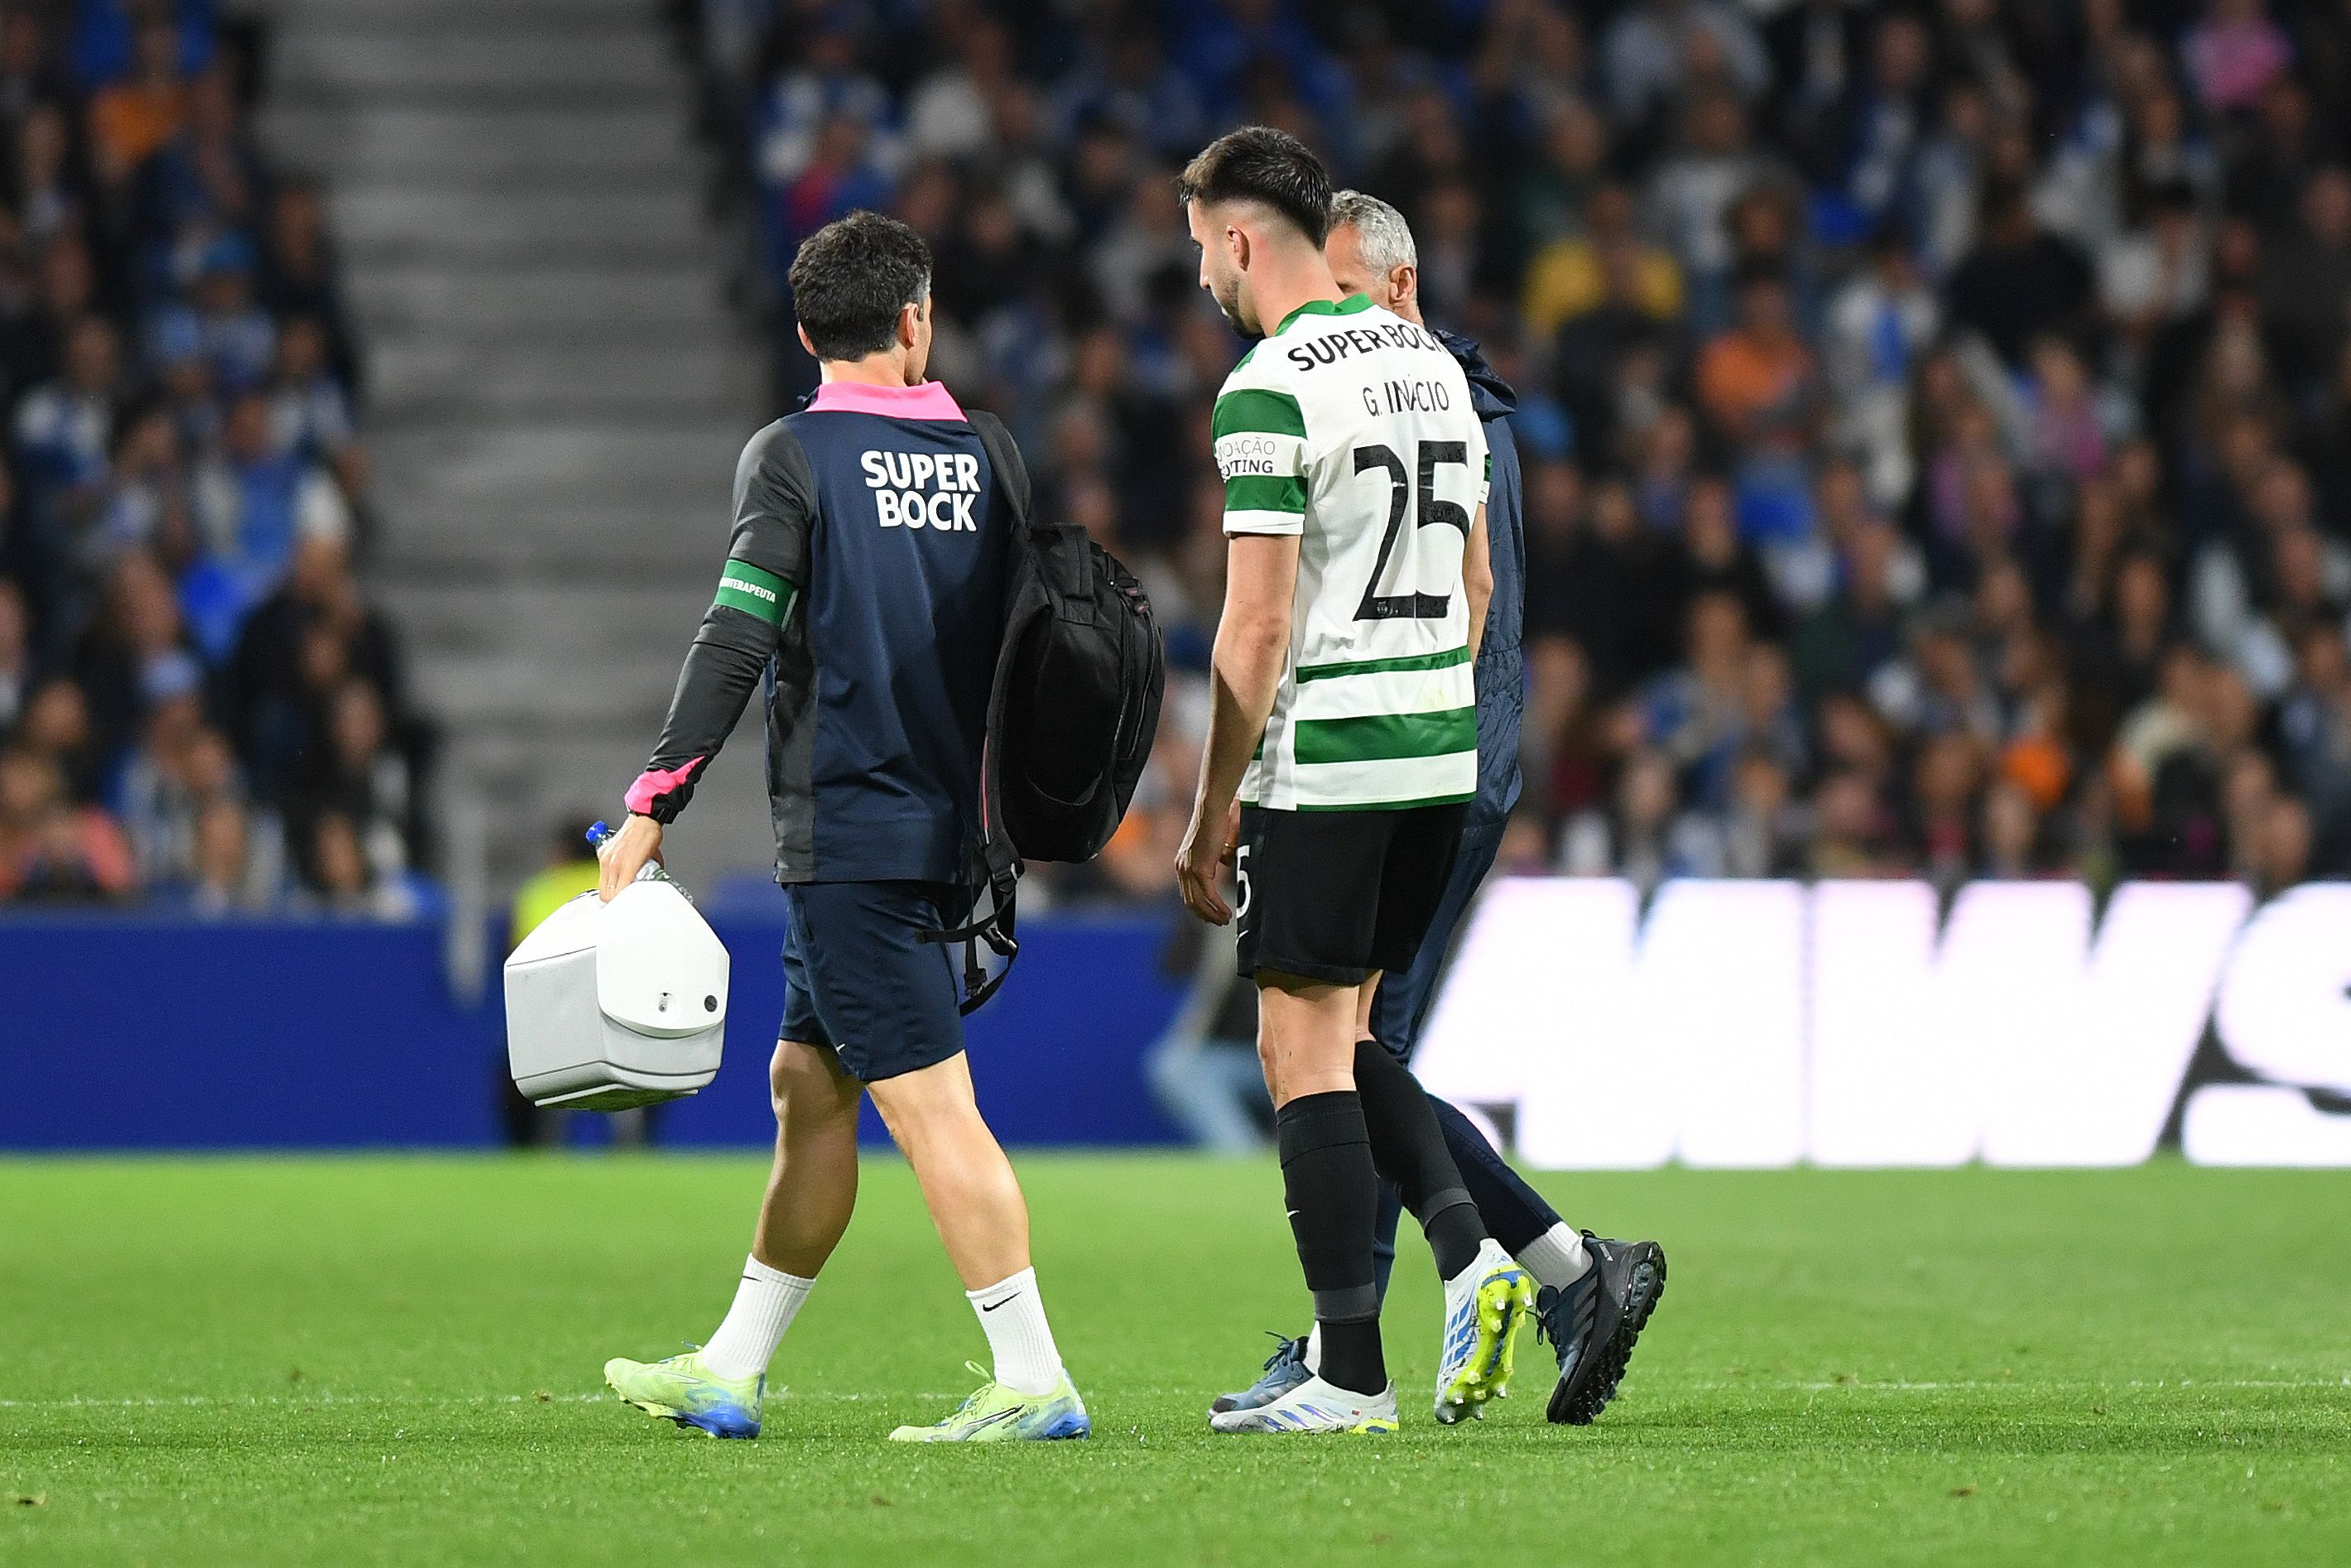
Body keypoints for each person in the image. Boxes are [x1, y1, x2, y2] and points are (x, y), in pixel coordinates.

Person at [594, 212, 1089, 1445]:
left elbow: (738, 629)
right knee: (806, 1084)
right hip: (949, 828)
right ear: (916, 318)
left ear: (808, 332)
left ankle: (1033, 1376)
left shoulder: (793, 458)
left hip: (853, 833)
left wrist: (655, 800)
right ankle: (731, 1366)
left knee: (930, 1107)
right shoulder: (991, 452)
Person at [1208, 190, 1669, 1429]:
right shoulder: (1440, 399)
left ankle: (1393, 1329)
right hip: (1437, 756)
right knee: (1355, 1055)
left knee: (1344, 1058)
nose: (1329, 320)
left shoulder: (1434, 402)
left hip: (1413, 764)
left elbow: (1457, 607)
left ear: (1400, 288)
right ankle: (1556, 1275)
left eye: (1349, 294)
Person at [1171, 127, 1529, 1437]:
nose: (1201, 271)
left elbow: (1254, 629)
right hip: (1439, 754)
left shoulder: (1266, 388)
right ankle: (1475, 1258)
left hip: (1331, 761)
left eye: (1203, 244)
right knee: (1349, 1038)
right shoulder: (1434, 366)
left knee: (1293, 1044)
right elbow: (1478, 585)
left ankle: (1352, 1372)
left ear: (1242, 239)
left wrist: (1214, 813)